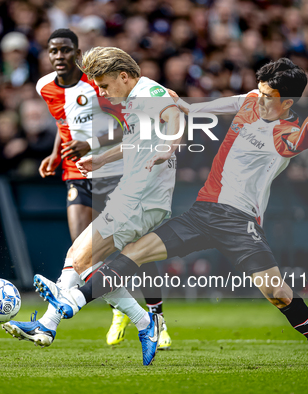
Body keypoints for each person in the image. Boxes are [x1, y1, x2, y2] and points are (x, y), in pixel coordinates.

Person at [35, 58, 308, 367]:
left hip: (240, 223)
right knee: (136, 252)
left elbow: (296, 142)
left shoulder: (287, 131)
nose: (260, 100)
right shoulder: (252, 99)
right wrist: (180, 106)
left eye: (269, 97)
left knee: (278, 294)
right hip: (203, 212)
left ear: (288, 104)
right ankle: (73, 301)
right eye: (260, 91)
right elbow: (201, 108)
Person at [10, 44, 183, 366]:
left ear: (123, 76)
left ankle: (72, 307)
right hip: (135, 197)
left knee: (80, 261)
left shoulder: (148, 93)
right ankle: (49, 325)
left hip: (142, 200)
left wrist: (171, 145)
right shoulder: (135, 99)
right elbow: (138, 137)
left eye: (103, 85)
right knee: (77, 258)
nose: (101, 91)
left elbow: (173, 114)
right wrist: (102, 157)